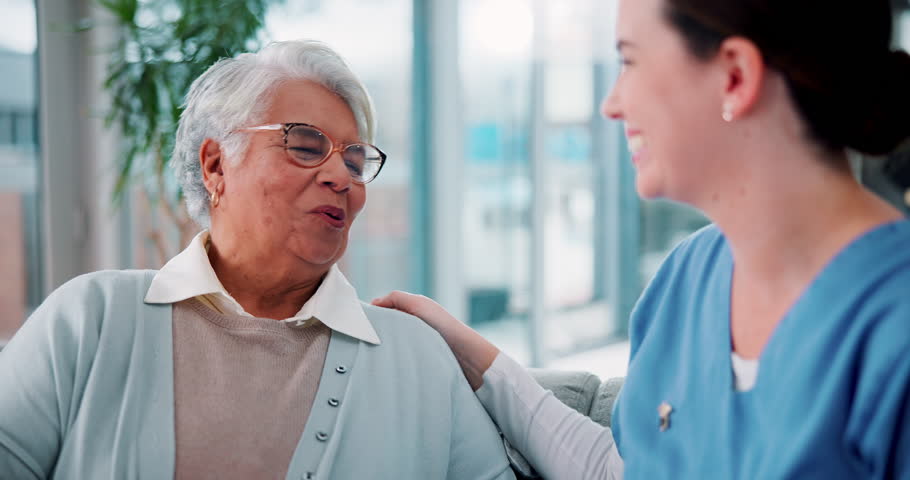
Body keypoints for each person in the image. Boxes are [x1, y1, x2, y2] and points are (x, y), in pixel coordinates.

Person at [373, 0, 910, 478]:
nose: (611, 104)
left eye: (629, 60)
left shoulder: (892, 327)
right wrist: (472, 357)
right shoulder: (687, 279)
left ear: (734, 77)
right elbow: (622, 468)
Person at [0, 40, 516, 480]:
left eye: (355, 159)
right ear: (216, 164)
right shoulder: (91, 319)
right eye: (307, 145)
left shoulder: (418, 355)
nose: (343, 178)